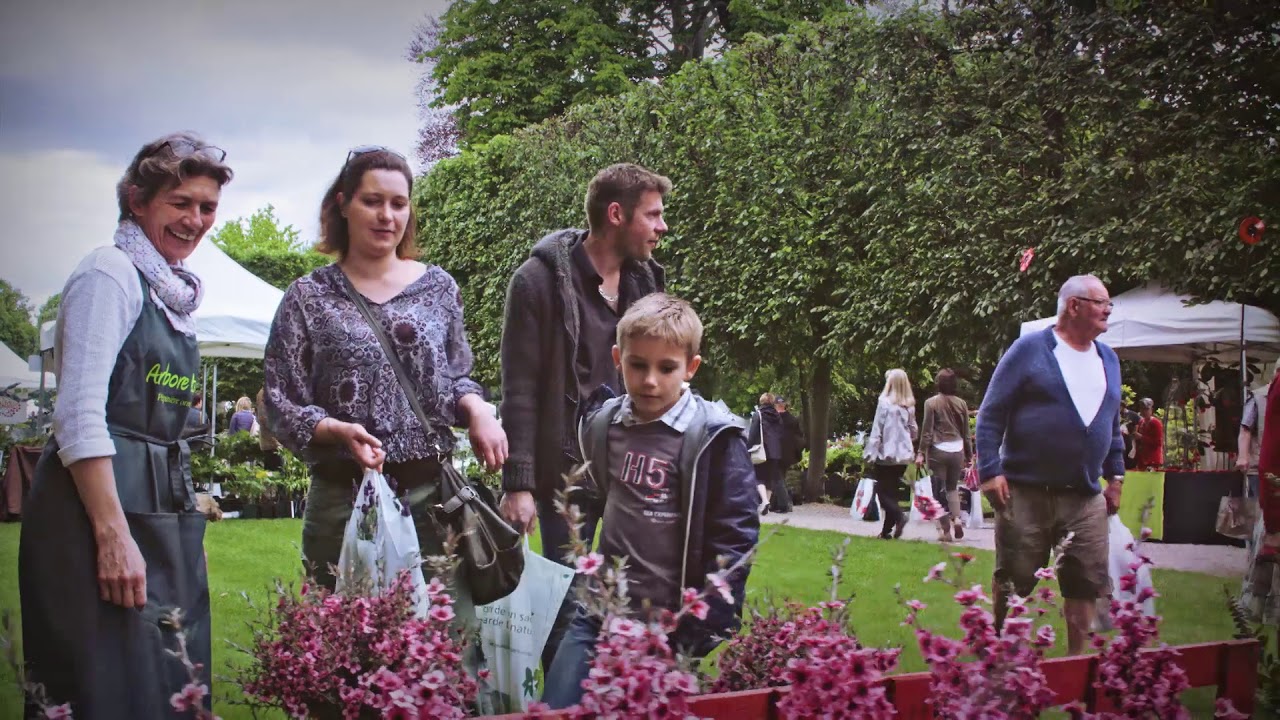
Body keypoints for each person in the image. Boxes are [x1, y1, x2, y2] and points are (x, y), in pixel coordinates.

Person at [19, 132, 233, 716]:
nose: (195, 220)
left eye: (206, 207)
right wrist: (114, 537)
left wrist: (185, 529)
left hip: (158, 504)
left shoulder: (171, 291)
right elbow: (78, 415)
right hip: (100, 511)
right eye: (180, 202)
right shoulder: (109, 275)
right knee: (105, 683)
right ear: (137, 201)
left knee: (167, 676)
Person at [262, 147, 506, 647]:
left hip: (430, 499)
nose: (387, 215)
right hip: (342, 498)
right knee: (343, 655)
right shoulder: (308, 296)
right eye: (373, 201)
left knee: (446, 649)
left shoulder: (438, 288)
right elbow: (280, 396)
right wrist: (333, 429)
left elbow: (457, 378)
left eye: (399, 203)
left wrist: (479, 410)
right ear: (343, 204)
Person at [541, 294, 759, 708]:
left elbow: (736, 539)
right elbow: (599, 496)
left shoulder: (715, 438)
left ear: (690, 368)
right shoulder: (604, 424)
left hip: (672, 624)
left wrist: (700, 627)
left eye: (666, 368)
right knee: (556, 707)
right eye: (637, 365)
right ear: (618, 358)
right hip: (600, 612)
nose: (650, 381)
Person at [496, 163, 670, 668]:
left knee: (633, 597)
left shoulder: (647, 280)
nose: (662, 227)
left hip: (632, 471)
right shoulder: (537, 282)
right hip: (563, 476)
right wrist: (518, 483)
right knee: (561, 606)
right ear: (616, 214)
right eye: (653, 215)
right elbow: (520, 389)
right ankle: (559, 701)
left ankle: (617, 692)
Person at [976, 273, 1124, 656]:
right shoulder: (1029, 350)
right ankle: (1004, 663)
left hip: (1085, 496)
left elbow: (1111, 421)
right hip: (1026, 492)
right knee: (1015, 581)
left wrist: (1117, 474)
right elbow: (991, 413)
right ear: (1074, 305)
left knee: (1086, 581)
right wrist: (990, 471)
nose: (1108, 310)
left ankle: (1078, 669)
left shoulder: (1108, 357)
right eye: (1101, 302)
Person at [916, 368, 973, 542]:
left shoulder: (931, 403)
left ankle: (945, 531)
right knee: (952, 488)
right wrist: (969, 454)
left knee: (937, 492)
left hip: (938, 450)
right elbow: (966, 431)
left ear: (938, 383)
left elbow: (927, 431)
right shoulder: (961, 403)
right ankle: (956, 519)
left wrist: (920, 453)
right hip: (957, 450)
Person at [864, 368, 918, 540]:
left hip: (886, 453)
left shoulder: (884, 402)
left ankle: (899, 515)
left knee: (882, 491)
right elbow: (914, 431)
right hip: (903, 455)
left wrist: (870, 453)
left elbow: (877, 429)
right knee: (892, 491)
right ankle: (887, 531)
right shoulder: (909, 405)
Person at [747, 392, 784, 515]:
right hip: (776, 451)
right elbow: (780, 432)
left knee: (758, 476)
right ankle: (766, 502)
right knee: (770, 478)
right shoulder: (777, 416)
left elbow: (753, 433)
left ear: (761, 401)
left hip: (762, 450)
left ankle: (764, 501)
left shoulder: (758, 414)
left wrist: (748, 447)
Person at [773, 394, 803, 512]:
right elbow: (799, 437)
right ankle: (775, 504)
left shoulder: (774, 419)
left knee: (777, 478)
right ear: (785, 405)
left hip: (776, 452)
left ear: (775, 404)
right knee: (781, 477)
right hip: (788, 455)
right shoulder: (793, 420)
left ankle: (785, 504)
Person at [1133, 398, 1164, 469]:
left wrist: (1141, 437)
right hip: (1142, 460)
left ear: (1151, 410)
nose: (1144, 411)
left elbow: (1158, 442)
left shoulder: (1156, 423)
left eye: (1146, 409)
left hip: (1152, 460)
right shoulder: (1141, 422)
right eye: (1142, 409)